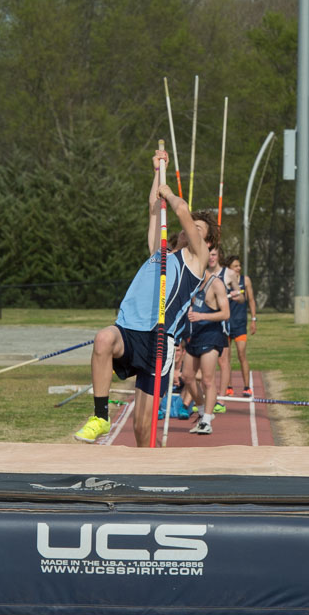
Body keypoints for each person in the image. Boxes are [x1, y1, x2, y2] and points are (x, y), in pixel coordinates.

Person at [76, 149, 215, 446]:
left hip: (158, 340)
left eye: (197, 229)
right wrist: (157, 172)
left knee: (143, 428)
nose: (189, 230)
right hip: (129, 329)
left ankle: (150, 474)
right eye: (190, 228)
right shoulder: (160, 253)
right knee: (102, 339)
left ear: (207, 241)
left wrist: (172, 194)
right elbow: (155, 206)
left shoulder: (197, 260)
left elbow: (180, 209)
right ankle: (100, 416)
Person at [180, 251, 230, 434]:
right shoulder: (191, 284)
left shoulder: (216, 284)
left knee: (208, 379)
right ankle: (202, 410)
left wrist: (201, 315)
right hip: (193, 336)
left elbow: (226, 314)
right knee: (187, 377)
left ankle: (207, 420)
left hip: (211, 336)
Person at [220, 253, 257, 397]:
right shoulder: (224, 280)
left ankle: (247, 387)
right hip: (226, 323)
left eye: (239, 265)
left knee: (242, 355)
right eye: (235, 266)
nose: (238, 268)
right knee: (226, 357)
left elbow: (252, 300)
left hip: (240, 323)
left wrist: (254, 319)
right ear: (229, 268)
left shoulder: (245, 280)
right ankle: (229, 387)